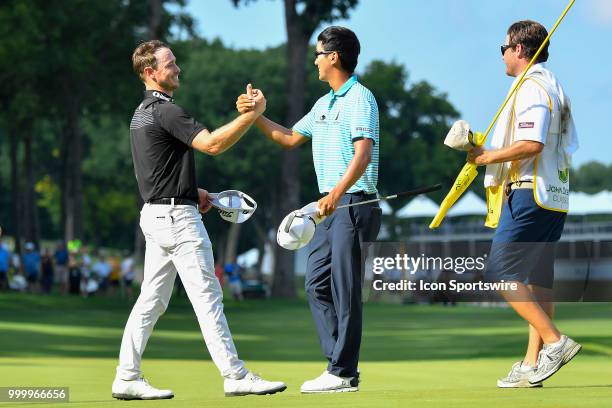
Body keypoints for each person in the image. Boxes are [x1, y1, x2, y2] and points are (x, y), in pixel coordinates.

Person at [112, 40, 286, 400]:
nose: (177, 69)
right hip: (177, 219)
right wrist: (252, 115)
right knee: (208, 297)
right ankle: (235, 375)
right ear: (150, 73)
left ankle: (126, 376)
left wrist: (194, 192)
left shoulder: (141, 113)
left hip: (159, 213)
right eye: (170, 64)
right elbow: (213, 145)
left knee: (152, 301)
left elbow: (158, 169)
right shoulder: (166, 112)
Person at [237, 26, 381, 393]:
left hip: (353, 202)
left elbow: (362, 155)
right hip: (328, 207)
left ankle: (342, 370)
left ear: (334, 57)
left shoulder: (360, 98)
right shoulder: (323, 103)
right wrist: (255, 116)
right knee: (316, 283)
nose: (314, 60)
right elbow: (287, 138)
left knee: (345, 288)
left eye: (319, 53)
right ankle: (340, 365)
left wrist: (336, 192)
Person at [467, 20, 580, 388]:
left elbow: (532, 144)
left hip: (530, 192)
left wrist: (487, 159)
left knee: (500, 273)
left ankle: (554, 342)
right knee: (538, 281)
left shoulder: (532, 86)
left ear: (518, 48)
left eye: (502, 48)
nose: (500, 55)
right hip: (553, 195)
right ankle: (532, 364)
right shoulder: (551, 83)